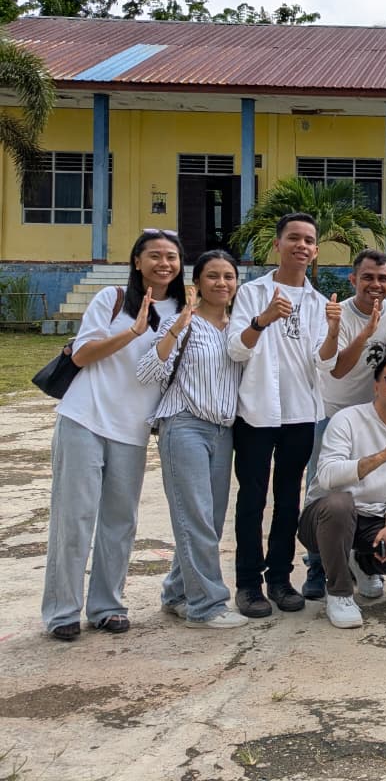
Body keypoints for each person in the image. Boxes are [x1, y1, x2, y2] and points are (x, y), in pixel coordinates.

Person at [42, 230, 186, 641]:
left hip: (134, 430)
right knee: (74, 519)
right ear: (137, 262)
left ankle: (107, 606)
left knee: (119, 522)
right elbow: (83, 354)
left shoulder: (182, 310)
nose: (164, 263)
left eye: (171, 257)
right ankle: (62, 611)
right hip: (84, 419)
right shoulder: (113, 300)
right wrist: (132, 332)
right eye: (154, 255)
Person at [228, 213, 341, 619]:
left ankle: (280, 577)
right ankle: (248, 584)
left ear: (315, 251)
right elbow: (236, 350)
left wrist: (331, 332)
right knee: (252, 498)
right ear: (277, 245)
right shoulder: (252, 293)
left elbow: (323, 364)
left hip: (299, 413)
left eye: (309, 240)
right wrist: (263, 320)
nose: (302, 245)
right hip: (257, 412)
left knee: (288, 499)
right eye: (294, 238)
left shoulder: (316, 301)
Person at [138, 249, 247, 629]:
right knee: (196, 517)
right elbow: (148, 370)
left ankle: (176, 592)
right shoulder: (183, 321)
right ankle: (207, 605)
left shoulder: (238, 327)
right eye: (213, 276)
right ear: (197, 282)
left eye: (229, 276)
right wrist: (174, 329)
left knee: (209, 521)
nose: (222, 283)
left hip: (223, 430)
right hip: (184, 425)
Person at [297, 353, 386, 629]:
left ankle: (364, 563)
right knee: (340, 504)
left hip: (373, 519)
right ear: (376, 385)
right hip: (324, 518)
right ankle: (340, 593)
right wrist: (382, 457)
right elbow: (329, 476)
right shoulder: (347, 419)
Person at [299, 250, 386, 600]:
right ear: (353, 279)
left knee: (372, 493)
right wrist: (367, 331)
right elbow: (338, 369)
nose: (376, 285)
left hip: (373, 419)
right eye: (368, 277)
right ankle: (316, 566)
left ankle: (363, 560)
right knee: (325, 490)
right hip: (332, 414)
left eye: (383, 279)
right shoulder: (338, 315)